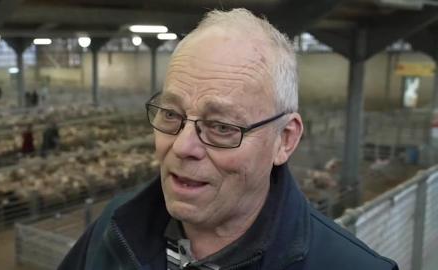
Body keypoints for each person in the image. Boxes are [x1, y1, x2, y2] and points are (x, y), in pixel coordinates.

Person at [58, 9, 398, 270]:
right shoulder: (113, 230)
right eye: (171, 115)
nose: (182, 147)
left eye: (221, 126)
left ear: (285, 140)